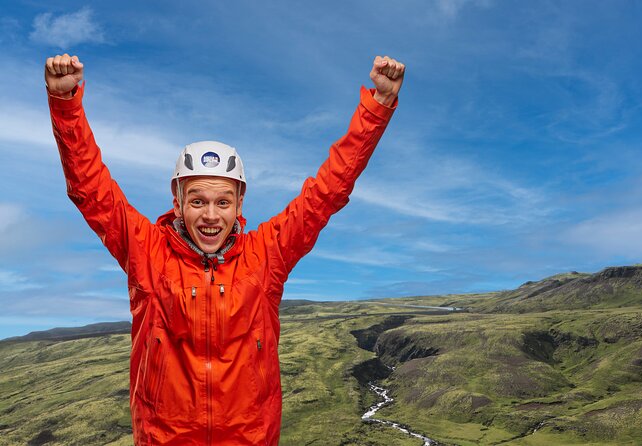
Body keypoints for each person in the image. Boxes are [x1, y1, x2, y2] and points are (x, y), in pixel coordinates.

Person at [45, 53, 405, 445]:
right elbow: (90, 190)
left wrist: (377, 106)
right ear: (177, 200)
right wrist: (66, 105)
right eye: (198, 201)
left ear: (240, 203)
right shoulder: (145, 252)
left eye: (223, 202)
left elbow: (328, 192)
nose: (211, 216)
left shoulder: (267, 255)